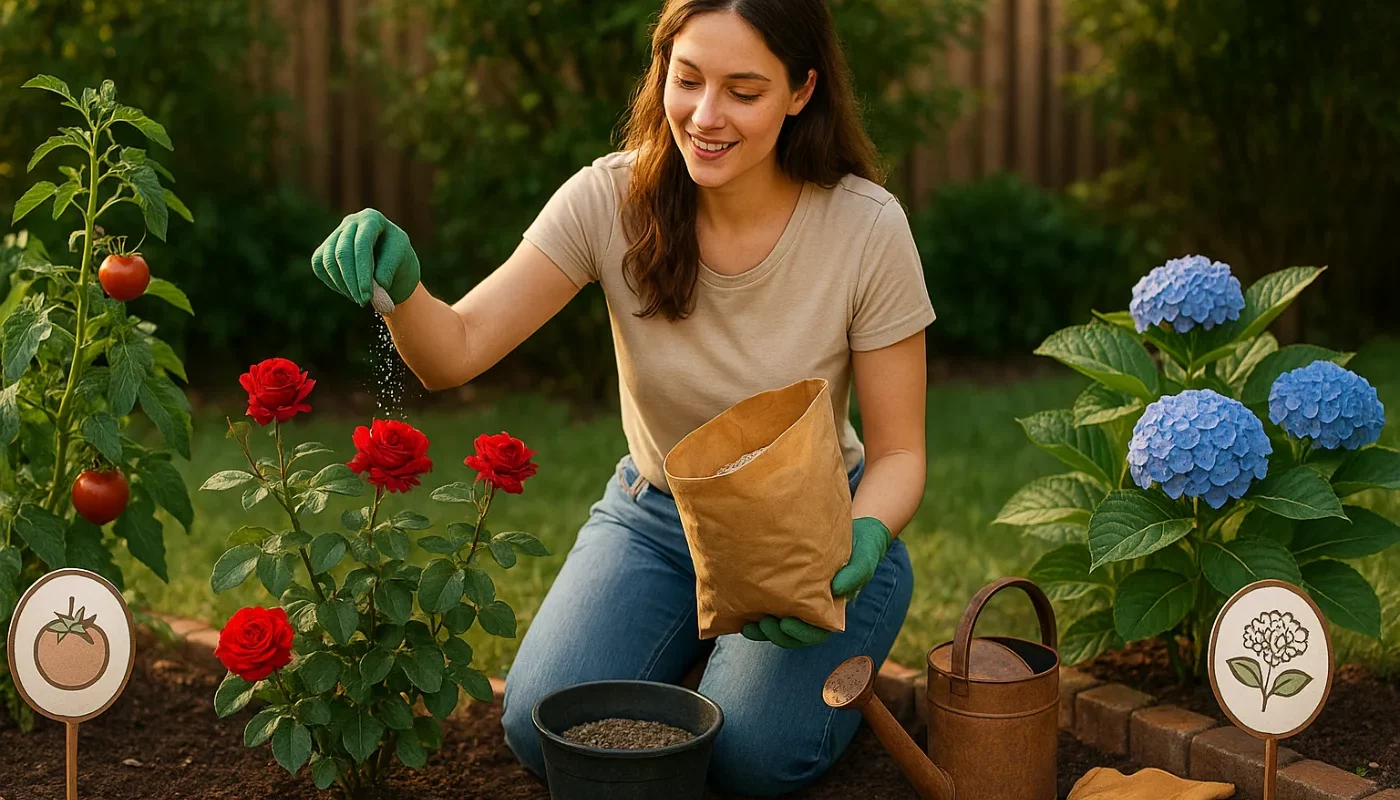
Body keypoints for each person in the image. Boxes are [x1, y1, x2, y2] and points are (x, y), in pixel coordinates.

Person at [309, 0, 935, 794]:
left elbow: (901, 453)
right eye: (688, 80)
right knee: (545, 726)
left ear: (802, 90)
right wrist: (402, 290)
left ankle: (792, 656)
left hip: (814, 527)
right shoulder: (609, 199)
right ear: (662, 70)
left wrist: (860, 540)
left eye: (744, 91)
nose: (706, 117)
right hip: (657, 516)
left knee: (747, 761)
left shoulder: (866, 229)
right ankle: (708, 654)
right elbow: (456, 351)